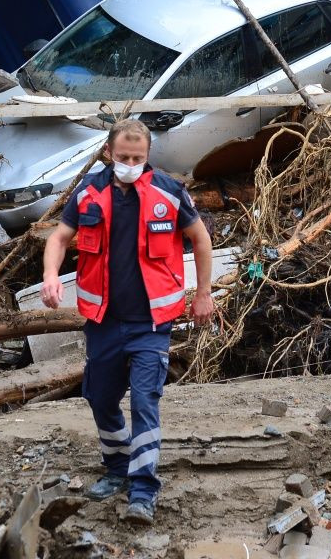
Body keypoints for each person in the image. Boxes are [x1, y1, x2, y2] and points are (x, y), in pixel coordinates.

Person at [41, 118, 215, 525]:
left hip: (151, 324)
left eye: (138, 158)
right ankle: (117, 466)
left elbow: (200, 239)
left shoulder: (169, 194)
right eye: (123, 157)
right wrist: (51, 276)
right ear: (108, 154)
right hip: (103, 321)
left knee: (144, 401)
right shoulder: (89, 193)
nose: (131, 164)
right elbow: (58, 238)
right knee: (99, 397)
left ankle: (143, 489)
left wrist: (203, 293)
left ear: (148, 156)